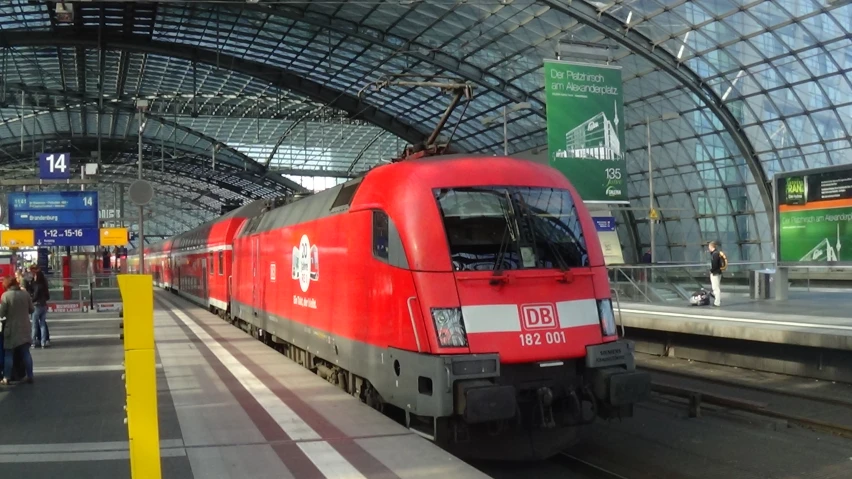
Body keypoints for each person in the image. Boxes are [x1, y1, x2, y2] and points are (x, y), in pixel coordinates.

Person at [0, 276, 34, 385]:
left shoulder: (6, 296)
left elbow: (1, 313)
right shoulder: (25, 294)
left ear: (7, 285)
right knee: (26, 353)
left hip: (11, 329)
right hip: (25, 327)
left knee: (9, 354)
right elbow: (31, 309)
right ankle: (30, 375)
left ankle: (7, 377)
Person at [30, 267, 50, 348]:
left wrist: (31, 300)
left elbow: (35, 296)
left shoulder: (37, 285)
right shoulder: (44, 285)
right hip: (44, 305)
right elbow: (47, 296)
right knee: (42, 324)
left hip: (37, 305)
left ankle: (33, 342)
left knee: (34, 325)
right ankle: (43, 342)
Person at [708, 241, 725, 307]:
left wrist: (711, 271)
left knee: (715, 288)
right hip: (719, 272)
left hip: (715, 273)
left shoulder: (714, 254)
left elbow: (715, 265)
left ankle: (717, 302)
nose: (708, 248)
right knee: (717, 287)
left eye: (709, 247)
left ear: (711, 246)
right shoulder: (717, 253)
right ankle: (717, 300)